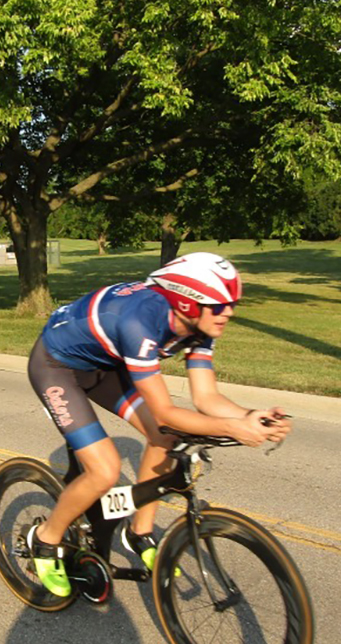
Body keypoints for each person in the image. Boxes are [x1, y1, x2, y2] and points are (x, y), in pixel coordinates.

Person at [26, 251, 291, 596]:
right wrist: (231, 428)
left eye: (232, 303)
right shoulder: (140, 323)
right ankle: (45, 539)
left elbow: (206, 398)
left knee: (165, 438)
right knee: (105, 471)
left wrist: (249, 417)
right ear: (186, 304)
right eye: (219, 304)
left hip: (107, 364)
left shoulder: (199, 327)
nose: (229, 312)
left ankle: (138, 531)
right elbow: (165, 412)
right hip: (57, 368)